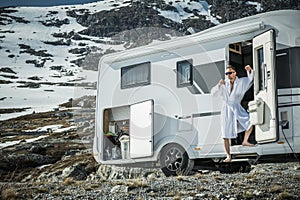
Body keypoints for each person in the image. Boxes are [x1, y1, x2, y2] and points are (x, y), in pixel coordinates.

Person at [211, 65, 255, 162]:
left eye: (230, 73)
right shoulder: (223, 84)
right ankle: (228, 156)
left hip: (236, 106)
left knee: (250, 121)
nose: (228, 75)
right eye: (226, 73)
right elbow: (213, 94)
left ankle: (245, 141)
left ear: (235, 73)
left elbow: (251, 79)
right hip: (226, 108)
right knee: (225, 134)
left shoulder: (242, 82)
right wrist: (218, 85)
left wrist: (249, 70)